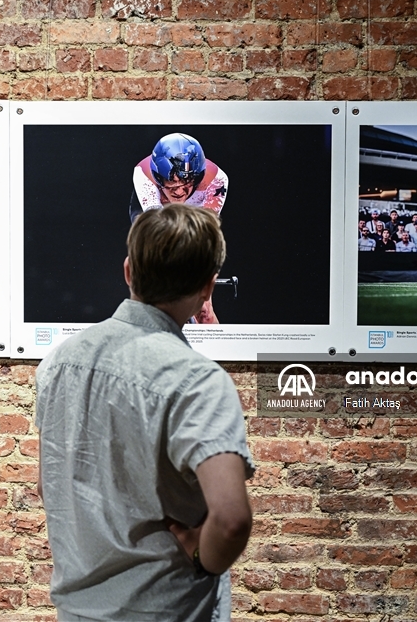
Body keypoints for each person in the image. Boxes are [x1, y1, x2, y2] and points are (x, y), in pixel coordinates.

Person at [36, 204, 254, 622]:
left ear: (128, 271)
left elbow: (50, 486)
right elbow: (230, 522)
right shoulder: (198, 380)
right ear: (209, 287)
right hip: (166, 610)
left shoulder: (59, 363)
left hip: (77, 612)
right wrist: (200, 557)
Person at [131, 133, 226, 324]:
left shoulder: (217, 180)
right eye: (171, 186)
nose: (180, 191)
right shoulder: (144, 175)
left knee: (204, 310)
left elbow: (206, 234)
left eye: (185, 184)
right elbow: (160, 233)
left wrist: (201, 286)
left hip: (196, 214)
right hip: (158, 215)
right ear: (159, 179)